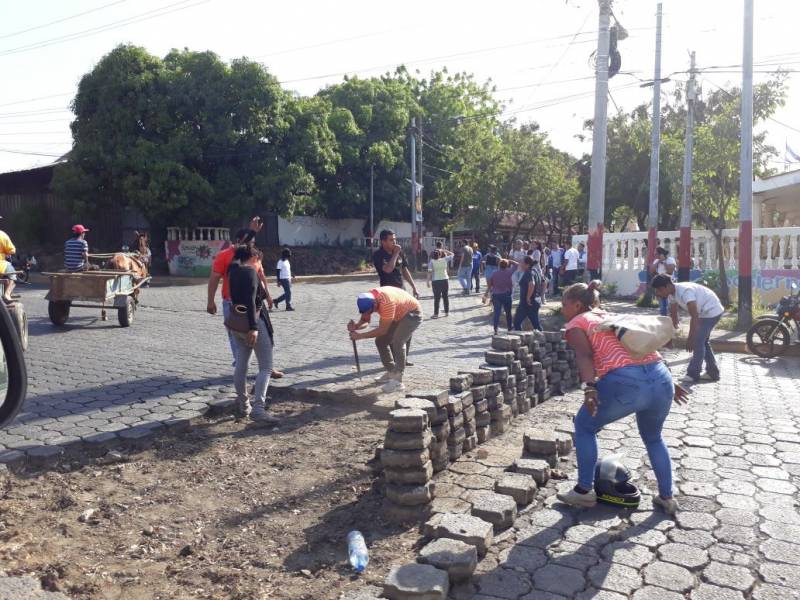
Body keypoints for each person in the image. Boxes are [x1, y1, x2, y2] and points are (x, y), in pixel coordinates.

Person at [556, 280, 689, 514]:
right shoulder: (610, 316)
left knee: (585, 425)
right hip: (660, 377)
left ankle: (584, 491)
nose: (562, 309)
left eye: (564, 304)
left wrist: (589, 388)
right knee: (654, 438)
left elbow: (585, 356)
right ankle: (667, 497)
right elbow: (643, 346)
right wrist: (670, 380)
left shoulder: (577, 323)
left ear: (576, 305)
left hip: (626, 381)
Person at [207, 219, 283, 379]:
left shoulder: (254, 255)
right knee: (238, 341)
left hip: (256, 304)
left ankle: (267, 366)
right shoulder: (226, 255)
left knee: (266, 333)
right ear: (238, 242)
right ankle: (241, 373)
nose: (252, 245)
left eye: (253, 242)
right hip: (233, 304)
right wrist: (210, 300)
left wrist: (268, 296)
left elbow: (261, 277)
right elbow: (214, 278)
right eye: (250, 241)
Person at [228, 244, 280, 424]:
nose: (259, 263)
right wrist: (254, 327)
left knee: (241, 365)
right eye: (258, 259)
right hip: (253, 323)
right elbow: (251, 301)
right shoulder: (250, 272)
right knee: (266, 367)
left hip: (236, 323)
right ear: (253, 258)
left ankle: (244, 405)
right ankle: (258, 409)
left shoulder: (233, 271)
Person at [348, 286, 423, 393]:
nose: (367, 314)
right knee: (381, 341)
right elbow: (365, 320)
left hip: (412, 313)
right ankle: (392, 372)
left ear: (375, 304)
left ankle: (397, 381)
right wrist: (356, 326)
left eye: (369, 311)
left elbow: (382, 330)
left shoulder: (386, 303)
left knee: (398, 342)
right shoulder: (368, 298)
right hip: (397, 313)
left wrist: (360, 336)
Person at [651, 275, 724, 383]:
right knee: (703, 342)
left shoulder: (686, 292)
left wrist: (690, 339)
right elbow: (673, 314)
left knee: (698, 342)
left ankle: (693, 374)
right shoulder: (671, 293)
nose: (658, 293)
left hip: (712, 311)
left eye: (659, 290)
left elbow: (694, 317)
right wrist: (672, 332)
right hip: (703, 313)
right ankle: (712, 373)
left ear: (667, 286)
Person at [372, 229, 420, 298]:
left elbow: (404, 270)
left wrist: (414, 287)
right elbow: (388, 270)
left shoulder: (399, 252)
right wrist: (395, 253)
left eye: (395, 239)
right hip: (388, 292)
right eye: (391, 240)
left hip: (401, 290)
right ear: (383, 242)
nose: (394, 242)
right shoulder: (378, 254)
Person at [513, 256, 543, 331]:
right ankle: (542, 336)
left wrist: (528, 297)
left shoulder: (528, 273)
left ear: (527, 265)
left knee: (517, 322)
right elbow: (543, 282)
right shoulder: (535, 271)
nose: (520, 264)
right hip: (535, 300)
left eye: (522, 262)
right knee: (536, 324)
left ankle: (519, 336)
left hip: (527, 302)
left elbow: (532, 284)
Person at [488, 259, 517, 335]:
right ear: (507, 265)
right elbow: (517, 265)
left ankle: (495, 329)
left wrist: (490, 291)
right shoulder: (509, 272)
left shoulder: (494, 273)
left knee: (497, 312)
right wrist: (510, 261)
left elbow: (490, 284)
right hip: (507, 295)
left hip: (496, 295)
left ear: (499, 265)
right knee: (508, 312)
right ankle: (509, 327)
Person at [427, 247, 453, 318]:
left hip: (435, 281)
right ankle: (447, 312)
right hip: (445, 280)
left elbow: (429, 272)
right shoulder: (444, 259)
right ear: (440, 254)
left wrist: (428, 281)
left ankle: (436, 314)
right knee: (445, 297)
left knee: (437, 298)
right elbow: (452, 254)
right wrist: (444, 250)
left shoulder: (431, 262)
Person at [650, 247, 677, 316]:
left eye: (656, 254)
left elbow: (670, 271)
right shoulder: (656, 261)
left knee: (670, 302)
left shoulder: (670, 259)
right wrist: (658, 262)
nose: (655, 255)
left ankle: (672, 316)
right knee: (662, 303)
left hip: (669, 284)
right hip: (660, 284)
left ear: (661, 254)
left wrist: (664, 262)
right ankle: (663, 315)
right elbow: (652, 270)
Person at [0, 221, 16, 303]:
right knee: (12, 275)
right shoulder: (2, 235)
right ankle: (7, 294)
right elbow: (12, 250)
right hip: (1, 264)